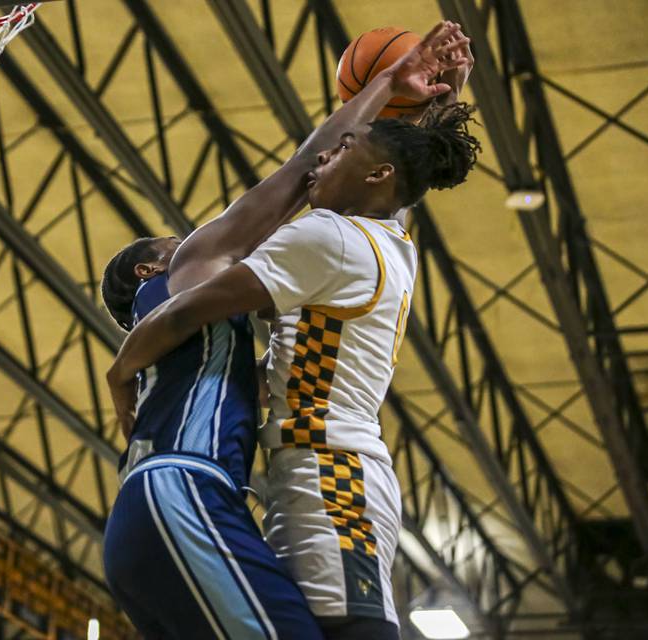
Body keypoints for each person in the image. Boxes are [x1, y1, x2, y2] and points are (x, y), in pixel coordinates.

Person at [105, 26, 477, 640]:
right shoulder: (376, 245)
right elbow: (321, 176)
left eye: (344, 151)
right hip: (267, 481)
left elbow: (345, 178)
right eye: (173, 243)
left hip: (301, 475)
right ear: (149, 270)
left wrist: (422, 105)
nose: (194, 235)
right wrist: (415, 96)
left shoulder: (341, 241)